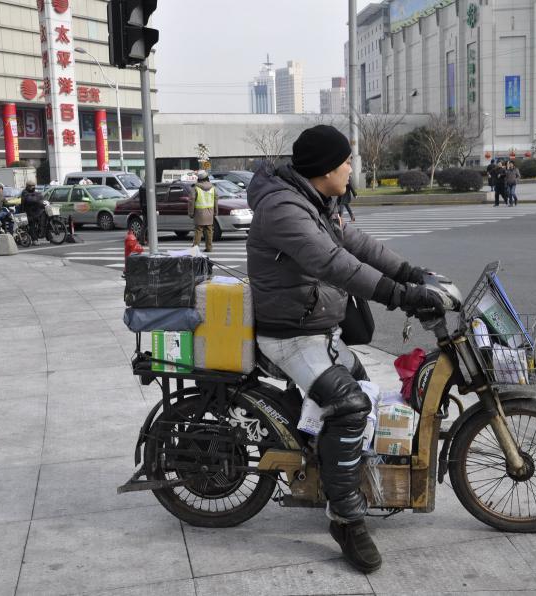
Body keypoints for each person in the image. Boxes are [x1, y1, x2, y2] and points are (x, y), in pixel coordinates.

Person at [246, 124, 458, 573]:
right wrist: (400, 296)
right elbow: (332, 263)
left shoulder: (317, 202)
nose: (349, 168)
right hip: (289, 337)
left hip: (317, 331)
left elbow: (357, 245)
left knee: (362, 395)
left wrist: (413, 273)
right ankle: (345, 519)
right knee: (349, 407)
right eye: (345, 161)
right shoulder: (284, 209)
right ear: (325, 168)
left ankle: (330, 474)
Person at [187, 170, 217, 252]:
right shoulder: (213, 188)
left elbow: (191, 201)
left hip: (199, 213)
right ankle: (209, 247)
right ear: (207, 178)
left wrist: (191, 213)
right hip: (210, 212)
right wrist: (215, 212)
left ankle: (195, 249)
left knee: (198, 231)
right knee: (209, 231)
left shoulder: (195, 188)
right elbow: (216, 200)